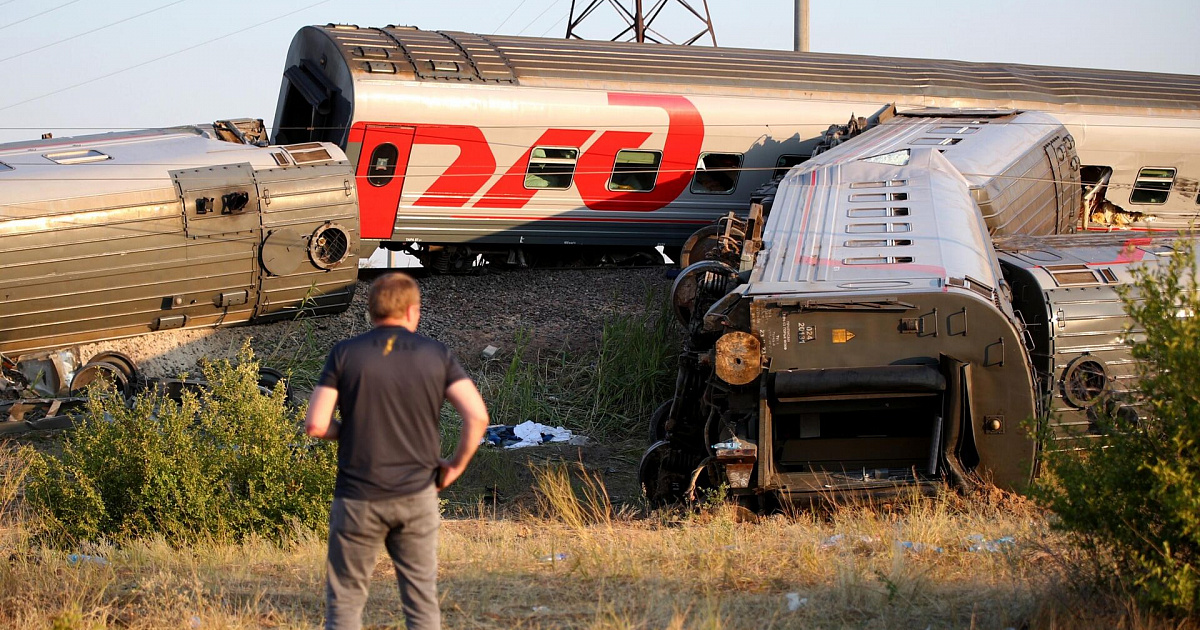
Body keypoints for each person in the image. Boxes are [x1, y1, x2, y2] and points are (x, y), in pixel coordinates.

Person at [304, 272, 489, 630]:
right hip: (416, 494)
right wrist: (454, 467)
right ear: (412, 312)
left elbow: (315, 423)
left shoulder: (345, 354)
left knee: (344, 604)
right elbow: (477, 417)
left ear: (371, 312)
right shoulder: (436, 354)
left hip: (358, 497)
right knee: (421, 601)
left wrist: (350, 431)